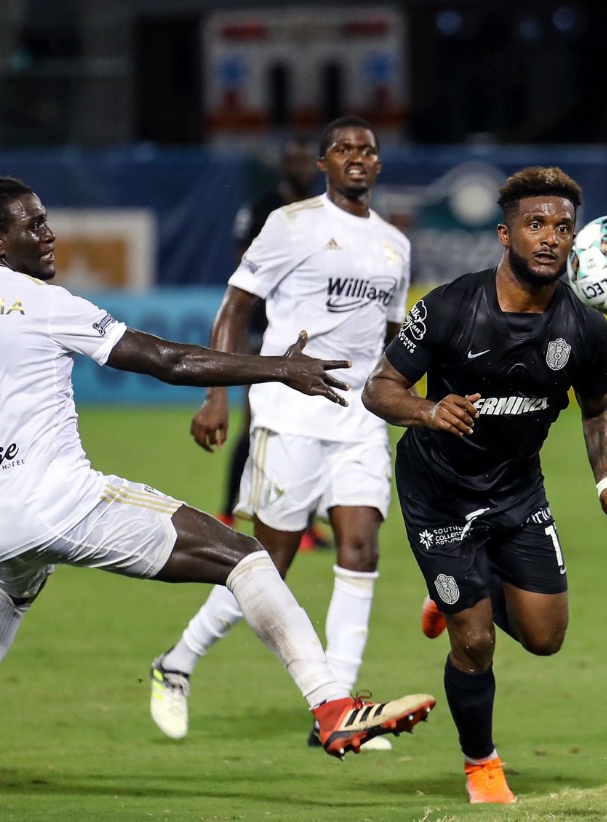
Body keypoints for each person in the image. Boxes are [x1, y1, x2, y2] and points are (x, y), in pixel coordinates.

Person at [0, 176, 434, 804]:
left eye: (47, 219)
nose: (49, 235)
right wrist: (278, 367)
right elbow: (167, 360)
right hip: (64, 503)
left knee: (9, 593)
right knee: (245, 557)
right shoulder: (45, 304)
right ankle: (331, 707)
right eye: (34, 225)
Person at [363, 166, 607, 804]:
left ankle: (460, 594)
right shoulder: (449, 306)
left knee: (546, 638)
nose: (550, 237)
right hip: (438, 492)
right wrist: (427, 411)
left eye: (563, 226)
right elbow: (378, 389)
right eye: (535, 224)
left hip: (518, 492)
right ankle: (481, 763)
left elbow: (600, 409)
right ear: (505, 234)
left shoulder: (585, 328)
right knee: (476, 640)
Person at [148, 116, 412, 750]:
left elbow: (394, 337)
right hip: (288, 414)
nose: (356, 157)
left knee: (362, 550)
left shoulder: (393, 245)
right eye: (343, 149)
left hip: (359, 418)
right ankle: (177, 662)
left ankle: (341, 709)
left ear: (378, 165)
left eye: (367, 150)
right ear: (322, 163)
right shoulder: (291, 226)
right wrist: (216, 396)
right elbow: (235, 309)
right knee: (268, 567)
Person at [219, 136, 331, 558]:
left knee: (312, 430)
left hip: (312, 337)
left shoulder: (327, 213)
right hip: (264, 336)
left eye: (306, 157)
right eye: (293, 156)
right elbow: (244, 267)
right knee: (256, 424)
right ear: (284, 164)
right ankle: (229, 512)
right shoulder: (265, 208)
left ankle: (303, 525)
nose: (301, 164)